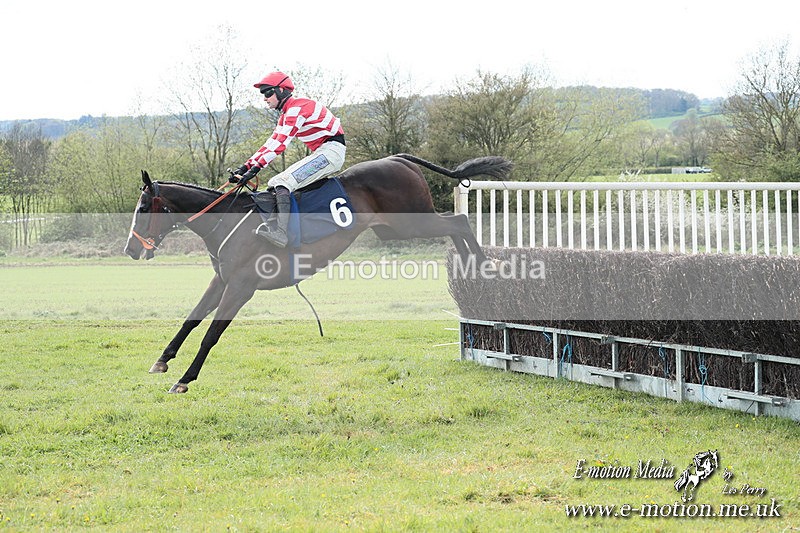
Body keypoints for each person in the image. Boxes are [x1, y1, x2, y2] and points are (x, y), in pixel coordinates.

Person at [232, 71, 346, 247]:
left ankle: (281, 234)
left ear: (281, 90)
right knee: (274, 181)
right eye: (263, 93)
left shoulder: (296, 108)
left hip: (331, 153)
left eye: (268, 92)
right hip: (323, 151)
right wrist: (246, 166)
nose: (265, 98)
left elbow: (281, 144)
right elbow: (271, 142)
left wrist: (255, 169)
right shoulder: (286, 114)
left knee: (283, 182)